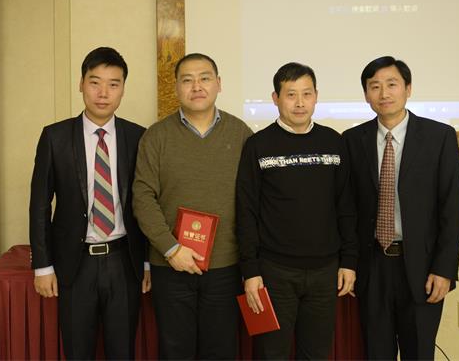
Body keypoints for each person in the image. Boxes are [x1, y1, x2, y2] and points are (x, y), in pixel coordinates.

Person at [29, 47, 149, 360]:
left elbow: (148, 202)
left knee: (122, 352)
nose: (103, 93)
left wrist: (147, 262)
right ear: (81, 84)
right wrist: (42, 266)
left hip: (124, 263)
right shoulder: (55, 137)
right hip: (74, 264)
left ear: (123, 89)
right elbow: (39, 205)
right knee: (77, 351)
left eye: (113, 84)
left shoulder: (138, 137)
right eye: (95, 82)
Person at [343, 56, 459, 360]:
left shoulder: (439, 137)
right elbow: (347, 209)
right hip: (372, 267)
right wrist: (349, 263)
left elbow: (453, 208)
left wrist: (444, 268)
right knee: (376, 353)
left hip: (422, 268)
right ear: (366, 94)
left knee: (419, 353)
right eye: (375, 86)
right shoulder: (352, 140)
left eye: (392, 84)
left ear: (408, 89)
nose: (384, 93)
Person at [132, 53, 253, 359]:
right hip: (170, 265)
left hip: (225, 266)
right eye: (187, 80)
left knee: (221, 351)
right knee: (175, 351)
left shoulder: (241, 134)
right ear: (176, 87)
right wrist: (171, 249)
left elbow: (253, 201)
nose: (197, 86)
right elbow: (143, 198)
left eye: (205, 78)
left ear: (219, 84)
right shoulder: (156, 136)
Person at [236, 62, 357, 360]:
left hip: (325, 272)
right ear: (275, 98)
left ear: (316, 96)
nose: (300, 103)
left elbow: (346, 206)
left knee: (316, 354)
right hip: (273, 272)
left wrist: (349, 262)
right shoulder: (258, 145)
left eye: (307, 94)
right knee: (271, 354)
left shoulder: (334, 142)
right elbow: (246, 211)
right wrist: (251, 271)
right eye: (291, 95)